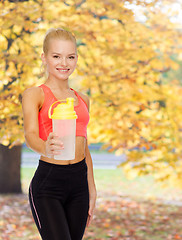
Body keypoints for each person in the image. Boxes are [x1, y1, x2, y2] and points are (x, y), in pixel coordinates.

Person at [22, 28, 97, 240]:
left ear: (76, 59)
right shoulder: (34, 94)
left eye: (70, 57)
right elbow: (30, 135)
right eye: (56, 56)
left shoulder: (82, 99)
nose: (64, 63)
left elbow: (84, 145)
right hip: (49, 184)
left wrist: (91, 189)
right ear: (44, 57)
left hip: (79, 184)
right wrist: (45, 147)